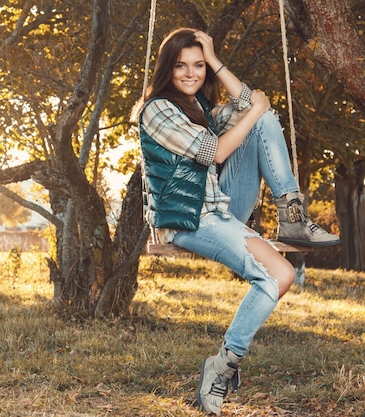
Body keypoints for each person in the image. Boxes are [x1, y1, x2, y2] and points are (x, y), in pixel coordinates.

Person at [131, 28, 340, 415]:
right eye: (181, 66)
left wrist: (215, 59)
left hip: (219, 208)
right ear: (167, 69)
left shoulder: (199, 109)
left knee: (262, 118)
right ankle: (223, 365)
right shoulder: (156, 109)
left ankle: (292, 215)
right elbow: (214, 151)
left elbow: (247, 101)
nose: (191, 74)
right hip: (188, 219)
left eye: (198, 66)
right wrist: (255, 111)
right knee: (279, 275)